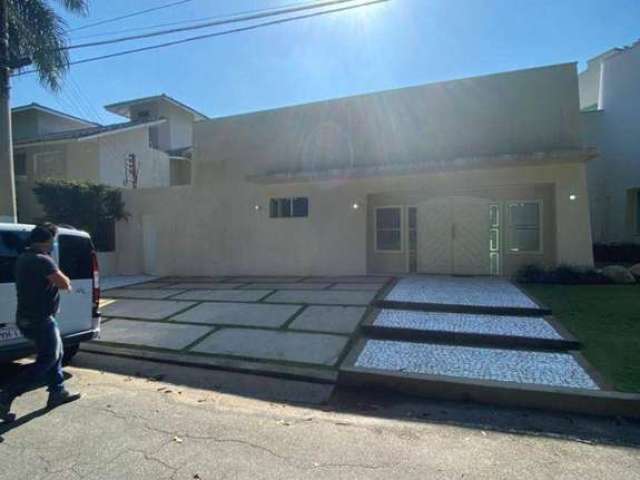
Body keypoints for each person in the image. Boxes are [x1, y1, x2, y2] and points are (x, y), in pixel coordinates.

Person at [0, 223, 81, 422]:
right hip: (41, 320)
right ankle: (6, 394)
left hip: (27, 318)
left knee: (56, 353)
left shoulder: (23, 258)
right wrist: (64, 279)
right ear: (47, 241)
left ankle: (58, 391)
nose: (54, 243)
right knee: (48, 359)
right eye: (53, 239)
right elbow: (64, 283)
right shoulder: (43, 260)